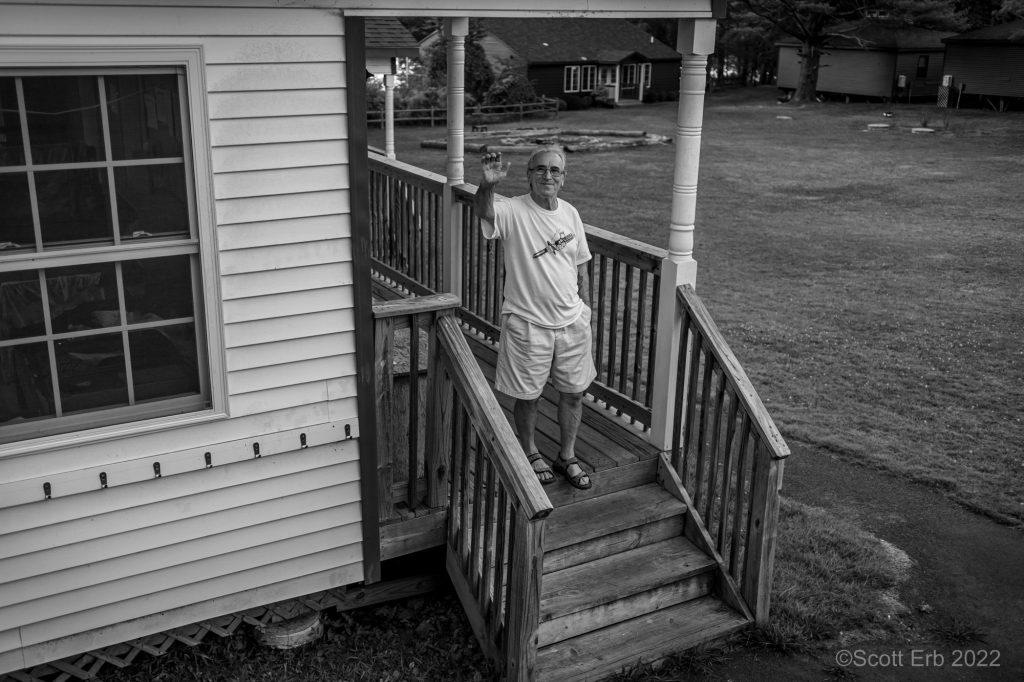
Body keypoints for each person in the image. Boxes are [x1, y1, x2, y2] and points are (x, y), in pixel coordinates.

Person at [474, 146, 596, 490]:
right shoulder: (513, 210)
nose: (547, 176)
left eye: (555, 171)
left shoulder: (570, 213)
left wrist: (587, 311)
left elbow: (581, 266)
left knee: (574, 394)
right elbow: (484, 211)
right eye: (540, 169)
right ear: (528, 175)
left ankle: (567, 455)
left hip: (572, 323)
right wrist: (487, 185)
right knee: (529, 395)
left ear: (564, 178)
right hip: (528, 323)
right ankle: (529, 452)